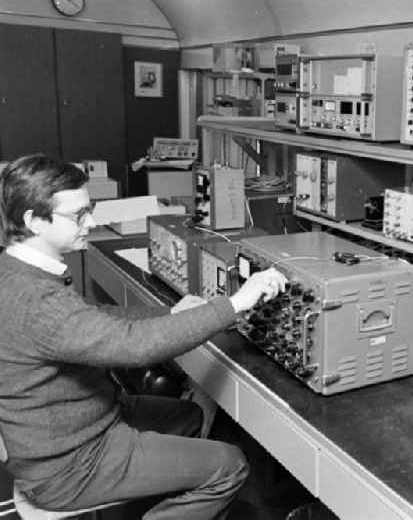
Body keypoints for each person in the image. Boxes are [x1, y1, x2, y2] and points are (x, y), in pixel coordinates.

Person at [0, 154, 288, 519]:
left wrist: (170, 313)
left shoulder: (14, 270)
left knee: (189, 416)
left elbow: (90, 320)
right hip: (71, 465)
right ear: (33, 220)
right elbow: (134, 346)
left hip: (73, 429)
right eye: (78, 215)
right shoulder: (36, 299)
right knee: (230, 465)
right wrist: (234, 304)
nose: (91, 222)